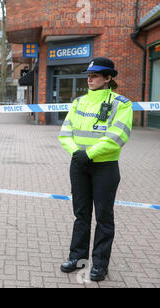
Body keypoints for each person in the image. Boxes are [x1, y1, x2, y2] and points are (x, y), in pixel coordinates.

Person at [58, 57, 133, 282]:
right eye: (88, 75)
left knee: (103, 217)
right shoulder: (79, 102)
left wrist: (88, 154)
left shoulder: (122, 103)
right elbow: (65, 132)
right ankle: (77, 258)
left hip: (104, 167)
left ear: (108, 78)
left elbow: (117, 136)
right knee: (81, 214)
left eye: (95, 75)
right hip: (79, 165)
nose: (89, 79)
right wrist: (76, 153)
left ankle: (100, 264)